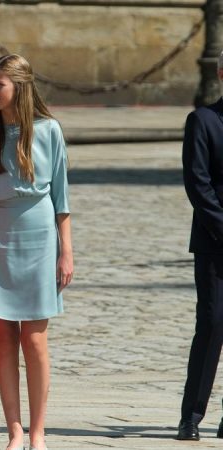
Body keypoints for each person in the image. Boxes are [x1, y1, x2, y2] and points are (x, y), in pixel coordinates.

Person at [0, 54, 72, 450]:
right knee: (3, 336)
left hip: (39, 233)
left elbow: (62, 198)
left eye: (0, 84)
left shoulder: (49, 131)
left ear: (20, 87)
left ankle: (38, 432)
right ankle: (13, 430)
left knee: (35, 338)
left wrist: (67, 252)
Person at [176, 50, 223, 442]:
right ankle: (191, 416)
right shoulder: (202, 121)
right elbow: (198, 183)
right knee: (211, 324)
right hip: (214, 241)